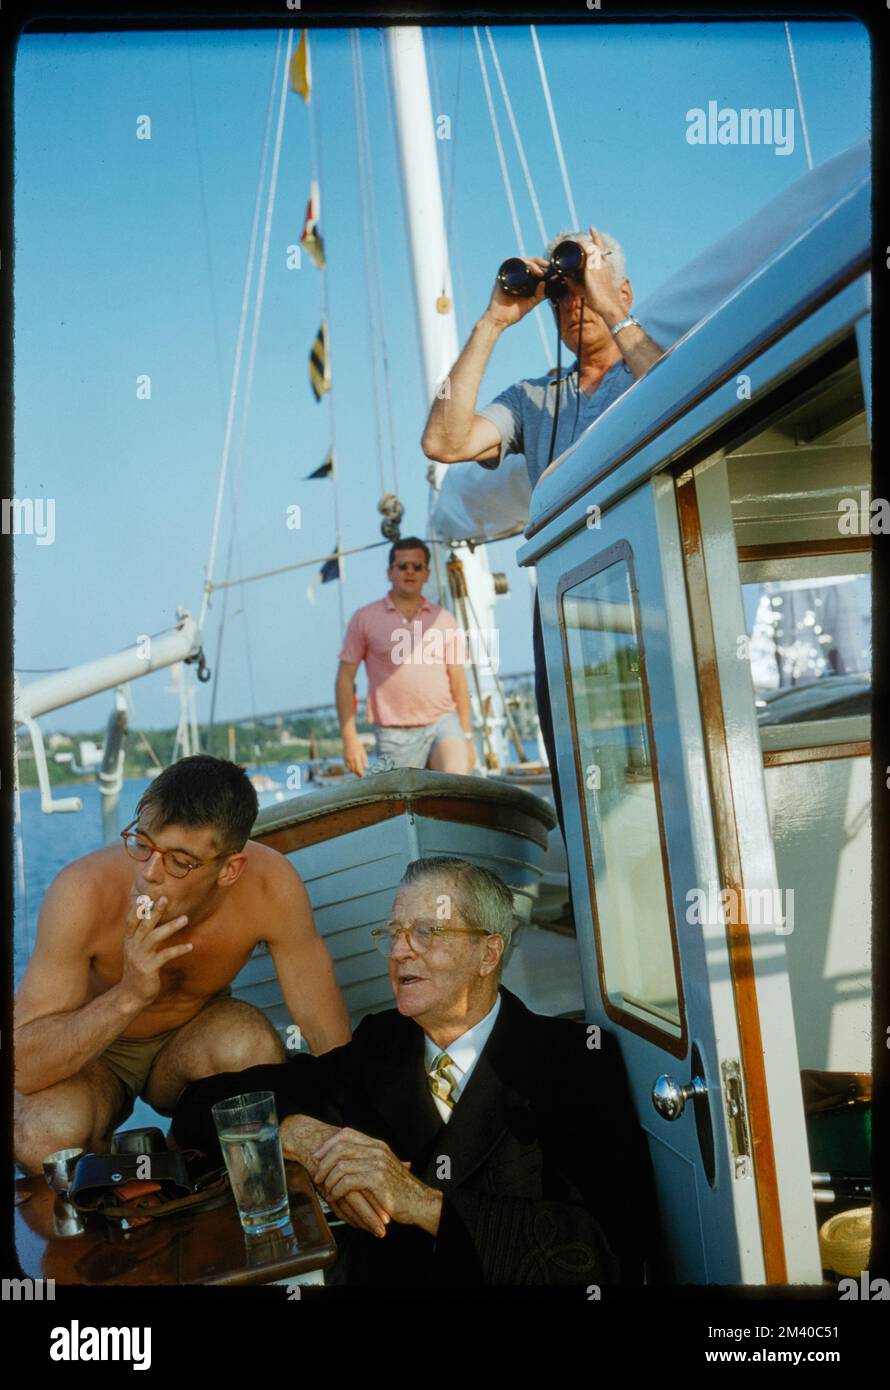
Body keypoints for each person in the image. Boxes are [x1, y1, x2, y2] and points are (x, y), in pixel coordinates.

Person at [171, 856, 657, 1287]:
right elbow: (200, 1108)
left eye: (427, 932)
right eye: (394, 933)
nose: (400, 951)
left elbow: (607, 1257)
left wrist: (421, 1203)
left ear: (488, 953)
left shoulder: (574, 1061)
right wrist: (300, 1136)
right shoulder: (382, 1046)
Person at [421, 226, 665, 833]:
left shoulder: (645, 363)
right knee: (583, 794)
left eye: (583, 287)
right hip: (562, 614)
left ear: (621, 290)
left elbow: (673, 396)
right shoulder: (535, 398)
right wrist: (493, 322)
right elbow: (443, 440)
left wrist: (609, 305)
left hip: (645, 600)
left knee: (661, 780)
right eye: (562, 295)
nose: (573, 305)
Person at [13, 755, 351, 1174]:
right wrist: (129, 995)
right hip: (96, 1056)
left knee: (252, 1050)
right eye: (142, 843)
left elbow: (328, 1037)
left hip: (191, 1040)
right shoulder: (81, 893)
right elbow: (23, 1068)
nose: (149, 873)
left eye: (178, 860)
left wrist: (362, 1142)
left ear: (229, 870)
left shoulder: (269, 886)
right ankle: (115, 1197)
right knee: (40, 1135)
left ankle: (190, 1166)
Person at [335, 536, 475, 777]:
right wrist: (350, 740)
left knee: (456, 777)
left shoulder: (445, 619)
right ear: (390, 572)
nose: (410, 572)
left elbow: (458, 680)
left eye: (417, 566)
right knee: (402, 808)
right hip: (394, 734)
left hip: (442, 722)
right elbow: (345, 678)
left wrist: (467, 737)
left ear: (427, 573)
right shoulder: (364, 618)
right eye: (402, 566)